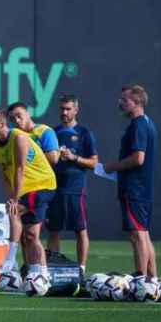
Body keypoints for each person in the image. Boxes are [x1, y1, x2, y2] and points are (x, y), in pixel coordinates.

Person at [0, 108, 54, 282]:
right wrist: (11, 198)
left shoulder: (19, 137)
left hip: (41, 184)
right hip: (26, 188)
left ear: (2, 123)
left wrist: (14, 200)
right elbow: (5, 174)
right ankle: (41, 273)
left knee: (14, 212)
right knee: (31, 235)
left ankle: (10, 259)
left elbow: (19, 169)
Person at [103, 85, 158, 286]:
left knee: (137, 234)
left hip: (135, 188)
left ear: (136, 102)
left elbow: (138, 159)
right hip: (140, 188)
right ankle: (152, 279)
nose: (121, 103)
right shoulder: (146, 123)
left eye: (124, 100)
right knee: (143, 232)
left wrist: (112, 167)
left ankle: (141, 278)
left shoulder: (139, 125)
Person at [4, 102, 59, 272]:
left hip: (41, 186)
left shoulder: (43, 131)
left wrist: (30, 149)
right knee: (27, 235)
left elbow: (54, 158)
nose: (17, 120)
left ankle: (36, 270)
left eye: (20, 115)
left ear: (28, 114)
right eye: (13, 119)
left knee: (30, 230)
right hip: (24, 189)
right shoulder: (15, 137)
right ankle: (30, 269)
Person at [50, 94, 98, 272]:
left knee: (80, 229)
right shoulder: (52, 133)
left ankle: (81, 269)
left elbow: (93, 162)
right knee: (54, 229)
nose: (64, 112)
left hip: (75, 189)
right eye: (62, 108)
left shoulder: (84, 133)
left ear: (76, 110)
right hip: (55, 188)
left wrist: (74, 157)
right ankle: (53, 267)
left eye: (68, 109)